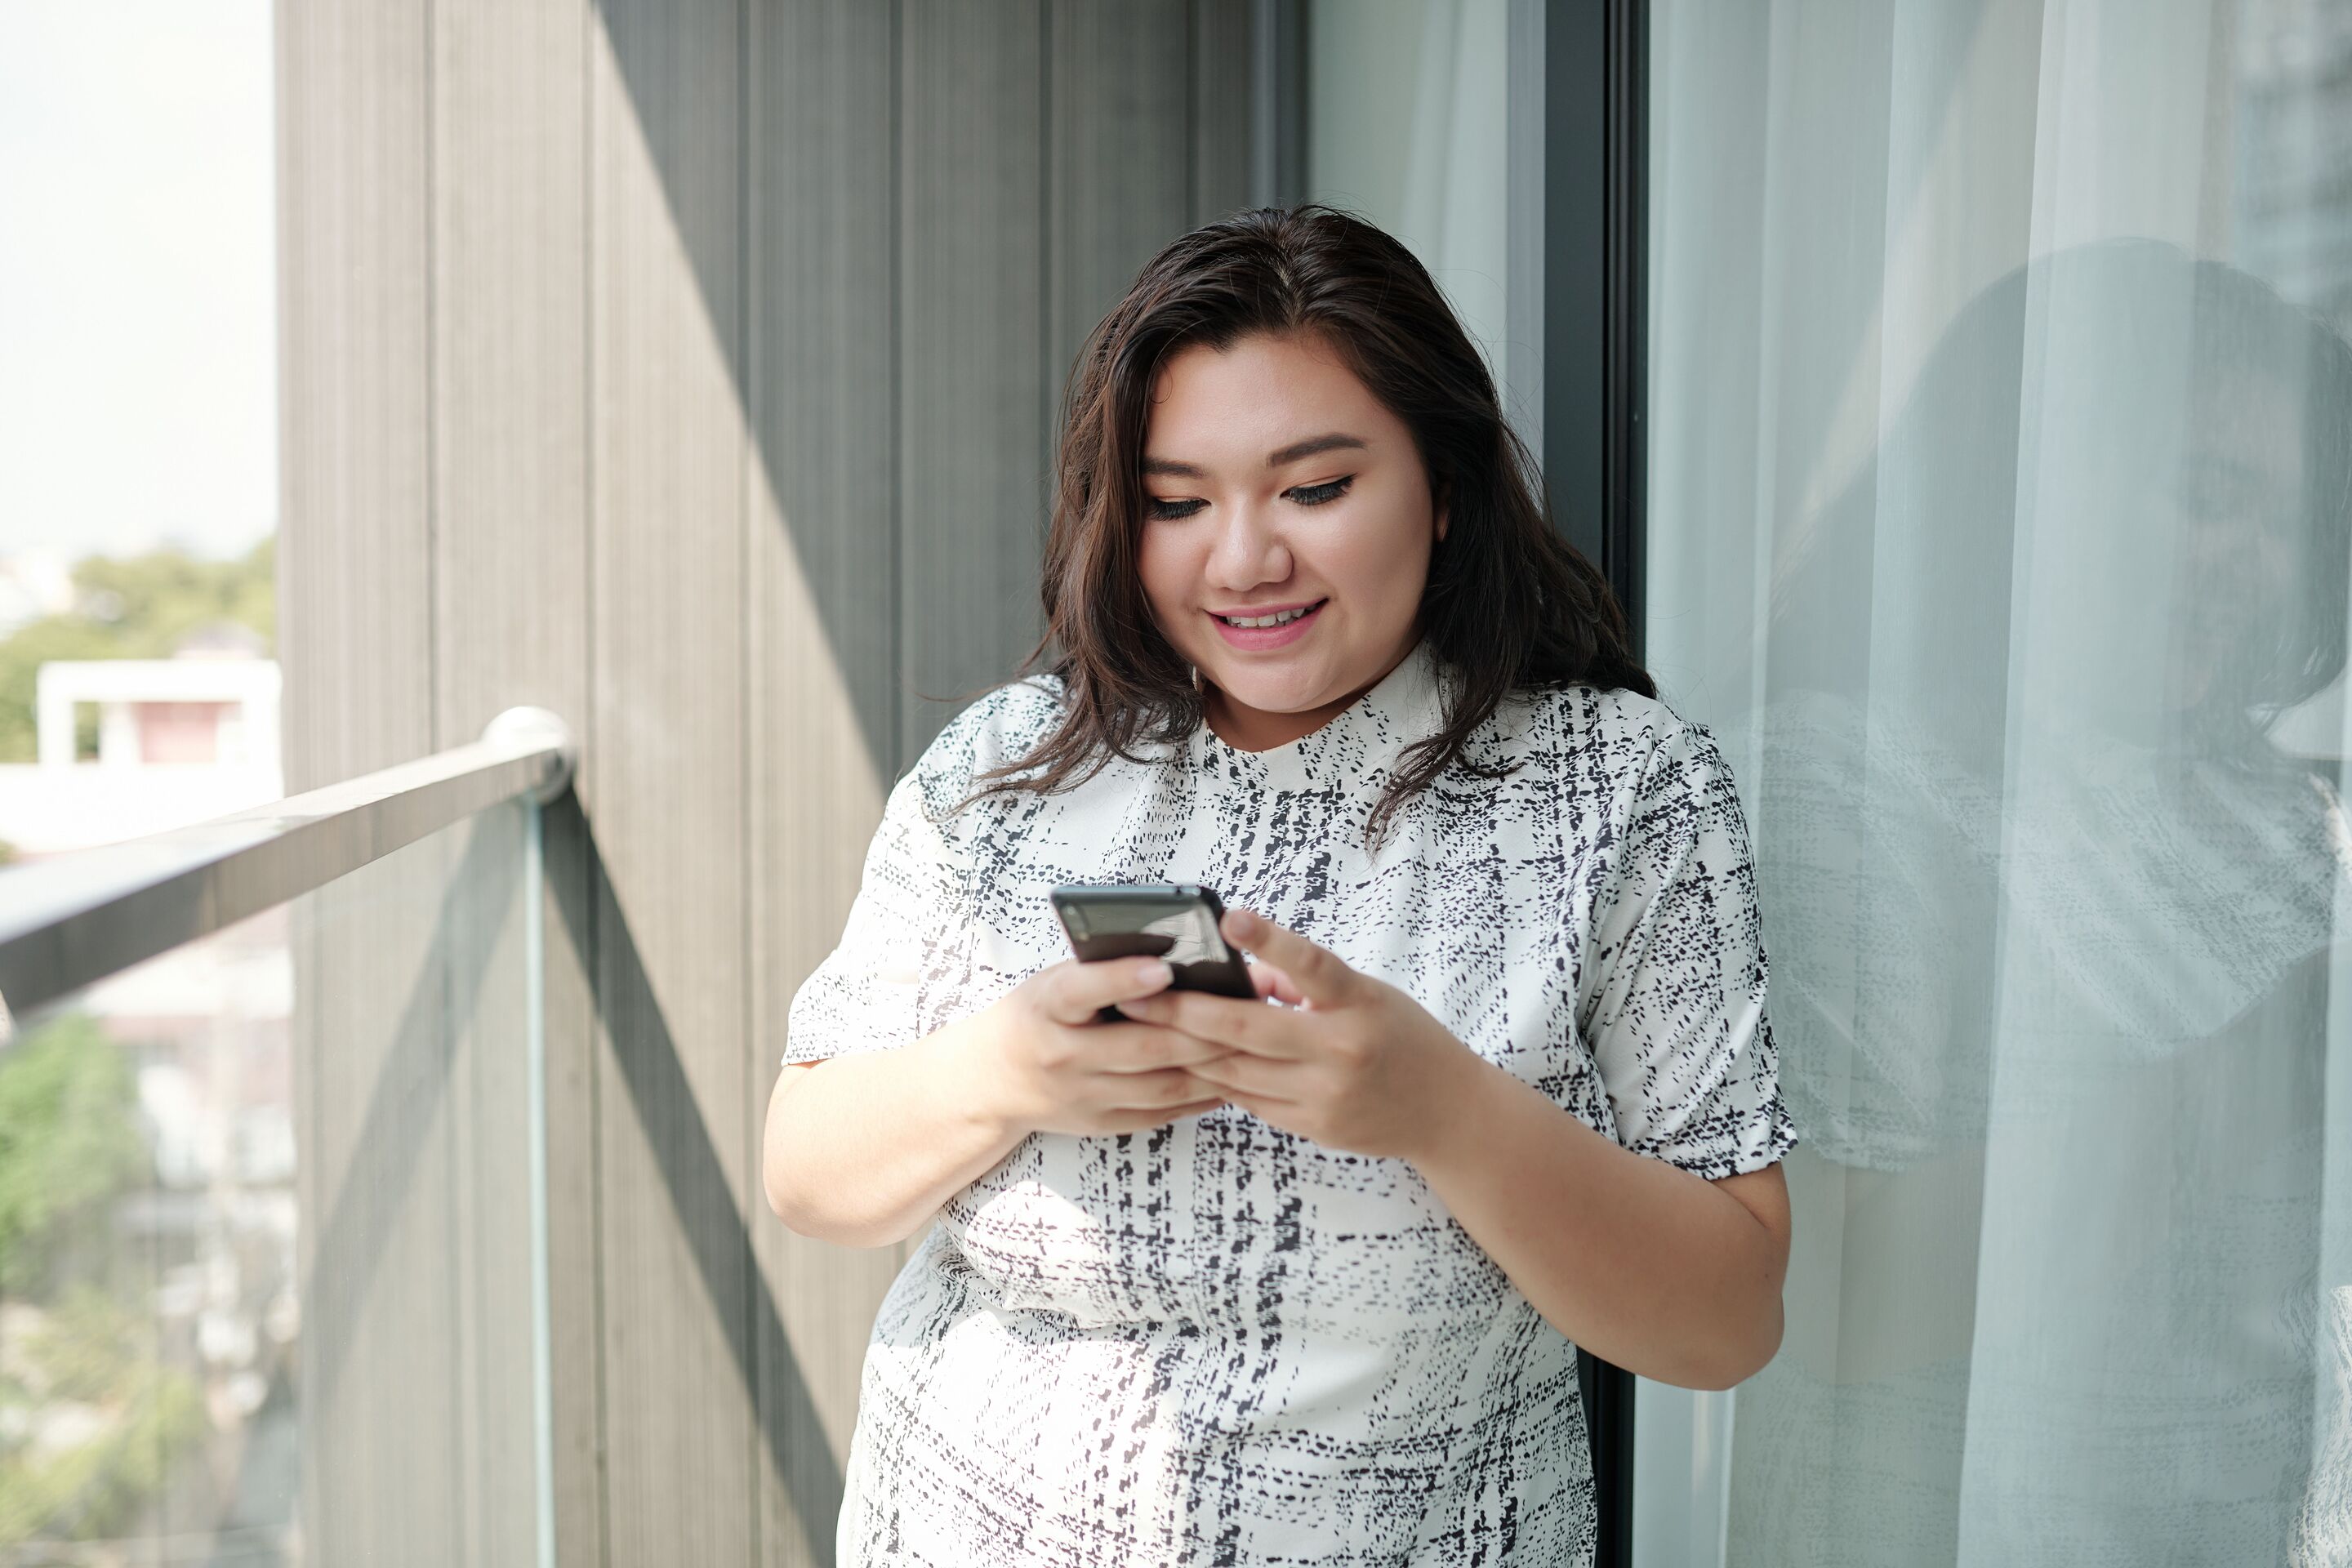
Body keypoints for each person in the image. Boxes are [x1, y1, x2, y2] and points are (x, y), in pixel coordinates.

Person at [761, 205, 1795, 1567]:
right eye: (1179, 503)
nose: (1242, 559)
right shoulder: (1009, 766)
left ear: (1444, 485)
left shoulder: (1617, 790)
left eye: (1313, 490)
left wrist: (1444, 1111)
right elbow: (807, 1171)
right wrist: (1002, 1073)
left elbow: (1728, 1322)